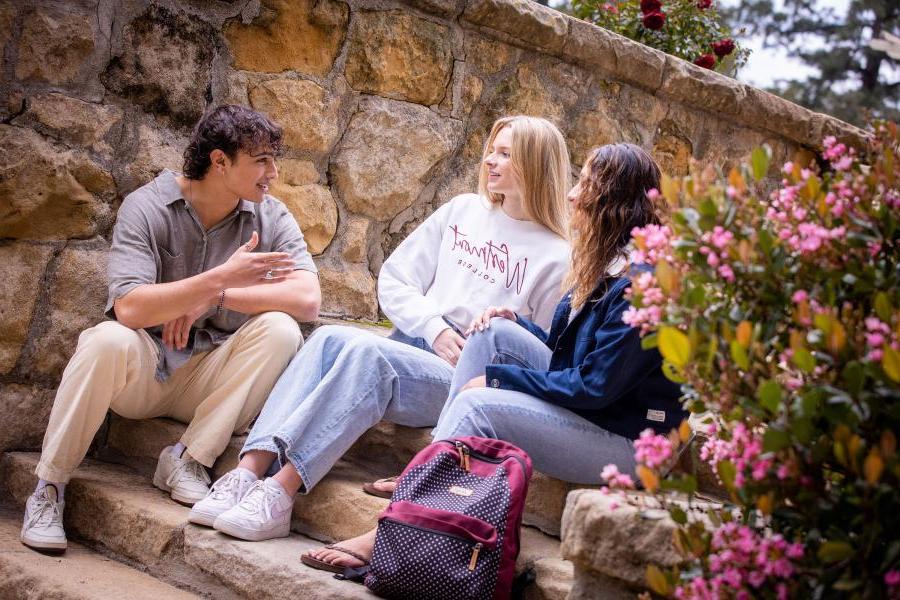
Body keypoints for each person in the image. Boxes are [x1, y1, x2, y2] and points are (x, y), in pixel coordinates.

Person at [301, 143, 686, 573]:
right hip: (599, 411)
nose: (573, 195)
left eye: (586, 185)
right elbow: (568, 354)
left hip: (628, 441)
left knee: (477, 402)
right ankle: (430, 467)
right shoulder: (610, 263)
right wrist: (519, 326)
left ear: (614, 202)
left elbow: (594, 387)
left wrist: (502, 380)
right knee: (492, 331)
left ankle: (386, 532)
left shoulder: (643, 286)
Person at [188, 115, 573, 542]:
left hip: (461, 379)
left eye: (505, 154)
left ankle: (281, 493)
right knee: (330, 337)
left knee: (368, 355)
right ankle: (248, 472)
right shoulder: (463, 211)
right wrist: (433, 328)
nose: (489, 161)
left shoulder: (557, 257)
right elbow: (394, 279)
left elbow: (538, 353)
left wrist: (475, 355)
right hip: (418, 343)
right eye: (492, 150)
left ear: (536, 164)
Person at [20, 105, 321, 553]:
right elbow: (128, 307)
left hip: (211, 380)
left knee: (280, 329)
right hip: (143, 372)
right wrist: (217, 278)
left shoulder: (271, 217)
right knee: (104, 339)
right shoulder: (148, 206)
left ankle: (188, 459)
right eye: (261, 160)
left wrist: (215, 297)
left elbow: (308, 299)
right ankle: (48, 489)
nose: (273, 172)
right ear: (220, 161)